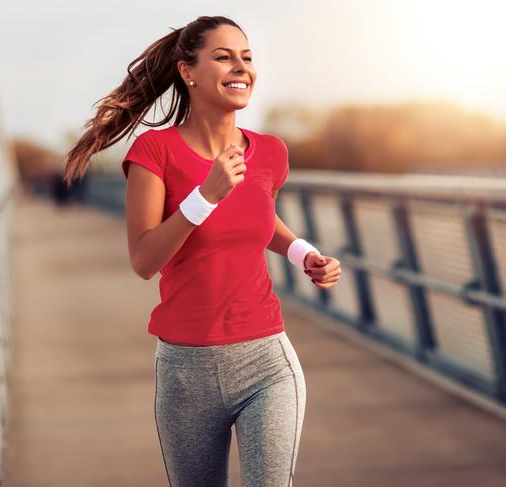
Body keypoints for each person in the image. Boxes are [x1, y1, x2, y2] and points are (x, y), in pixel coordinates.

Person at [63, 15, 342, 487]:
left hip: (267, 360)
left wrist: (303, 254)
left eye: (247, 57)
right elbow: (144, 260)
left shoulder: (270, 152)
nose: (241, 67)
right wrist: (205, 196)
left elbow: (257, 220)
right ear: (187, 70)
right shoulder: (155, 152)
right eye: (223, 56)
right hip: (186, 372)